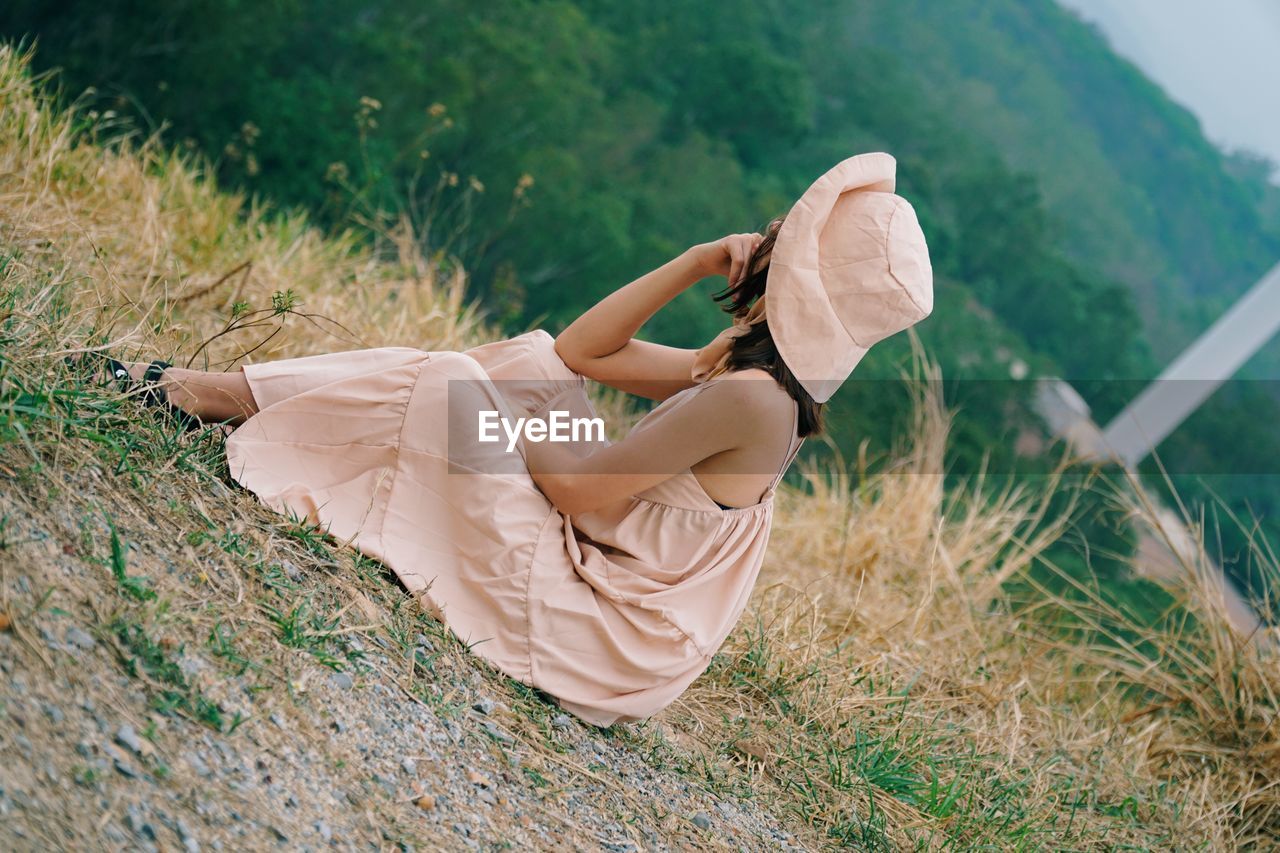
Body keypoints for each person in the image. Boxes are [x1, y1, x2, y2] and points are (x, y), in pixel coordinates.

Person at [108, 152, 934, 727]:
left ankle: (194, 396)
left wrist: (507, 411)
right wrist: (691, 261)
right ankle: (199, 394)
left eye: (779, 233)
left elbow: (576, 488)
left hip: (600, 632)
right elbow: (582, 353)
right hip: (601, 585)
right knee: (520, 362)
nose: (762, 230)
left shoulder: (754, 402)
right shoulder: (747, 380)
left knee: (451, 384)